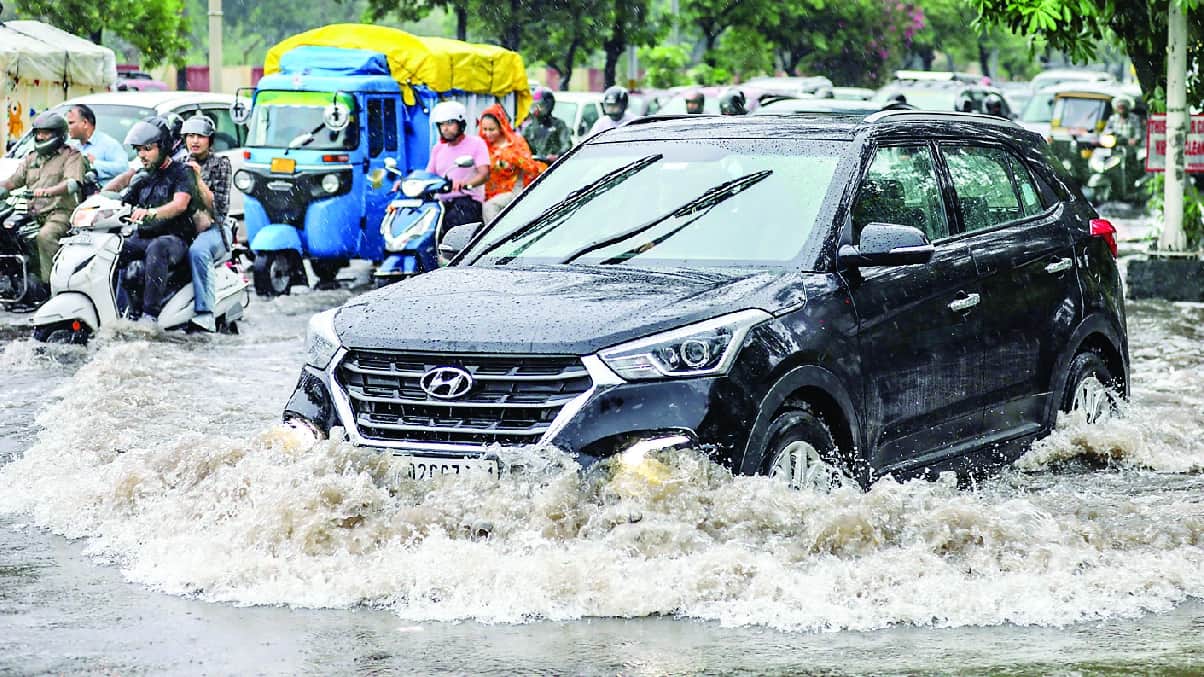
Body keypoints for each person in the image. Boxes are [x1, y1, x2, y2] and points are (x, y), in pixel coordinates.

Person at [118, 116, 198, 322]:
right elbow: (121, 202)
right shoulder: (143, 176)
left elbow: (180, 204)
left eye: (147, 149)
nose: (142, 155)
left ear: (162, 147)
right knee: (114, 248)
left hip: (174, 239)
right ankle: (118, 309)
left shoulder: (182, 172)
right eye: (138, 150)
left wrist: (151, 213)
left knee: (158, 247)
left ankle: (149, 315)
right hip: (143, 236)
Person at [0, 112, 88, 284]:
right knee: (8, 231)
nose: (40, 137)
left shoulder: (72, 156)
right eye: (38, 133)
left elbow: (72, 184)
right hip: (33, 214)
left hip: (60, 213)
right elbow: (13, 181)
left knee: (45, 236)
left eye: (45, 133)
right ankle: (16, 281)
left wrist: (48, 191)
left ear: (58, 134)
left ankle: (50, 286)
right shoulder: (32, 157)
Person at [180, 115, 231, 332]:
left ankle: (205, 313)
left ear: (210, 140)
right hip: (184, 226)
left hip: (215, 228)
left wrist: (198, 180)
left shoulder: (221, 165)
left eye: (200, 136)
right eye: (190, 135)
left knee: (198, 251)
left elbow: (219, 208)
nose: (195, 141)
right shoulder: (178, 164)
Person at [407, 101, 490, 233]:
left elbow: (484, 174)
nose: (445, 128)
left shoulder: (476, 143)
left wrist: (465, 184)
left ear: (461, 124)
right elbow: (429, 175)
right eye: (442, 124)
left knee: (456, 226)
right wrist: (406, 183)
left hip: (466, 201)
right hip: (441, 203)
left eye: (450, 123)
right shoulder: (438, 148)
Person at [478, 104, 542, 224]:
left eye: (491, 129)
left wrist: (510, 159)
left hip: (514, 189)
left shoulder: (515, 143)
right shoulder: (481, 144)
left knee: (490, 207)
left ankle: (493, 239)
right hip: (484, 193)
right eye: (484, 129)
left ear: (501, 127)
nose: (487, 133)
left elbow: (530, 166)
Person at [65, 104, 127, 184]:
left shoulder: (107, 144)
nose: (67, 127)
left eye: (71, 123)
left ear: (85, 123)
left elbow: (124, 168)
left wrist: (95, 163)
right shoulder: (71, 146)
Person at [521, 87, 572, 163]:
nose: (535, 109)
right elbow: (520, 146)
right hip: (534, 169)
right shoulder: (529, 128)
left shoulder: (558, 125)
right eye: (534, 105)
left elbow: (567, 145)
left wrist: (558, 156)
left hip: (554, 168)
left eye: (539, 105)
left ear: (548, 105)